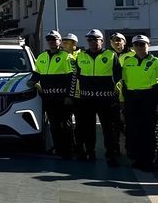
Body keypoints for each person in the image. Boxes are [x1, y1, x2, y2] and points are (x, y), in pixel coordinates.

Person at [71, 29, 122, 166]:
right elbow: (76, 76)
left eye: (96, 39)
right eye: (90, 40)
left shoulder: (111, 55)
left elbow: (118, 75)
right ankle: (90, 151)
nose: (93, 42)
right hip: (86, 99)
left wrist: (111, 89)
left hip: (106, 100)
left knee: (108, 128)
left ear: (102, 40)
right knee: (87, 127)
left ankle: (111, 153)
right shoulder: (81, 56)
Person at [30, 30, 76, 159]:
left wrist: (70, 96)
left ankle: (69, 150)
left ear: (60, 41)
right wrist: (31, 82)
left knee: (65, 125)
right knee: (54, 125)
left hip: (63, 98)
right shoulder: (41, 57)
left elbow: (72, 78)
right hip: (48, 98)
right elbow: (36, 74)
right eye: (49, 39)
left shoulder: (67, 57)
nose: (51, 41)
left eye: (54, 39)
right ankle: (58, 148)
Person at [121, 35, 158, 171]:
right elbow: (124, 81)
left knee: (148, 131)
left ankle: (149, 160)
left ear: (148, 45)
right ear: (132, 47)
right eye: (136, 45)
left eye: (142, 44)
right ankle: (137, 158)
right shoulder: (128, 61)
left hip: (148, 98)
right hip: (132, 99)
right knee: (133, 130)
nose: (139, 47)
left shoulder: (155, 62)